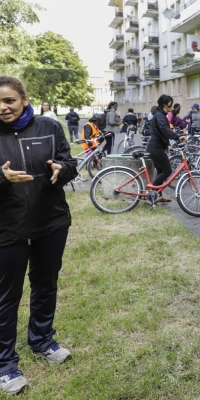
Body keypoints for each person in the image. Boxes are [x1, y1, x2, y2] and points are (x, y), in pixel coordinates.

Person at [0, 75, 77, 395]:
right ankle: (4, 364)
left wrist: (62, 170)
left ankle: (42, 340)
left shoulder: (49, 127)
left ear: (24, 99)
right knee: (6, 298)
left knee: (45, 285)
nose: (3, 108)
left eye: (9, 101)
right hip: (8, 230)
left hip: (50, 224)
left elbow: (69, 163)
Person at [146, 95, 187, 203]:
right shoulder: (160, 115)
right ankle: (151, 192)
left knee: (161, 172)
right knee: (167, 170)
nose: (172, 106)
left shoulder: (161, 114)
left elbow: (160, 133)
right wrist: (177, 137)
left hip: (155, 147)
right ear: (164, 104)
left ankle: (158, 196)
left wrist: (167, 144)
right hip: (155, 148)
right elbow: (164, 129)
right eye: (170, 103)